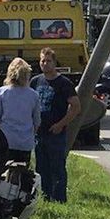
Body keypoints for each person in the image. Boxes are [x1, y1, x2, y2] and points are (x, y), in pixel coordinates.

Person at [31, 47, 81, 202]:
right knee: (41, 168)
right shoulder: (35, 81)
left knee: (57, 168)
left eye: (48, 61)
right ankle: (45, 198)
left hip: (56, 133)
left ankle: (59, 199)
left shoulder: (63, 83)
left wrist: (61, 124)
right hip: (40, 132)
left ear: (55, 62)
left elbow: (76, 106)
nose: (45, 64)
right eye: (42, 61)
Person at [0, 57, 40, 163]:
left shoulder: (1, 93)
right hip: (25, 142)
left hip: (5, 140)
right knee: (23, 173)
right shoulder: (34, 95)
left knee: (3, 173)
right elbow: (37, 121)